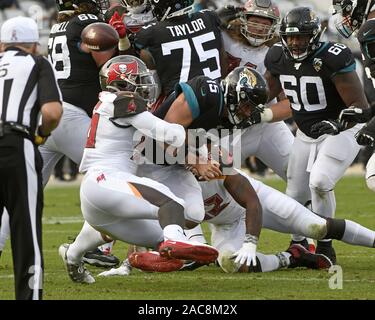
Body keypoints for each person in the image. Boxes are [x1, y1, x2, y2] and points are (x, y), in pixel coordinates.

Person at [58, 55, 219, 283]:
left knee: (164, 246)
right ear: (123, 83)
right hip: (104, 180)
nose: (146, 85)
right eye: (140, 80)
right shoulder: (122, 101)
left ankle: (73, 256)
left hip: (98, 200)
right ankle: (174, 239)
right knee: (172, 204)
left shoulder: (108, 104)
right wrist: (200, 146)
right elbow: (169, 133)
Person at [259, 7, 368, 263]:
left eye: (302, 36)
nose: (296, 43)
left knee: (319, 182)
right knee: (294, 196)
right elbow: (264, 94)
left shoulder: (332, 56)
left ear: (315, 35)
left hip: (343, 129)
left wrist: (336, 123)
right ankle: (298, 246)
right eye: (291, 37)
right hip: (306, 134)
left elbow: (361, 108)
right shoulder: (277, 56)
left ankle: (325, 245)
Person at [0, 17, 63, 299]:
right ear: (34, 46)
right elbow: (52, 113)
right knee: (25, 227)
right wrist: (41, 134)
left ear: (2, 44)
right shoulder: (38, 63)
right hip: (14, 142)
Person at [134, 0, 227, 100]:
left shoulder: (151, 32)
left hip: (182, 100)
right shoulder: (209, 17)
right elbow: (223, 60)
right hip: (217, 92)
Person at [332, 1, 375, 192]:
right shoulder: (368, 30)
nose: (345, 18)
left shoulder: (370, 30)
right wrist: (364, 114)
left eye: (347, 11)